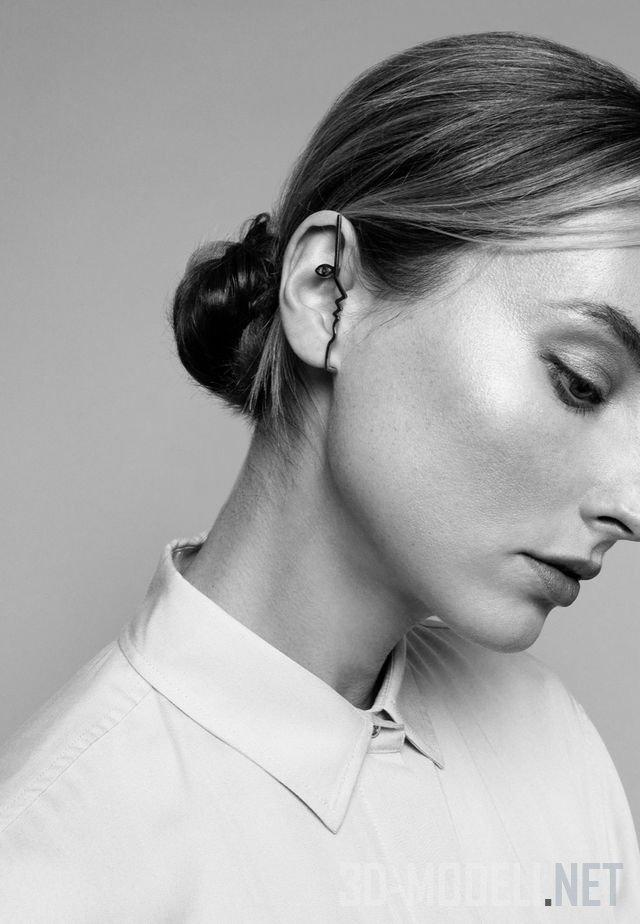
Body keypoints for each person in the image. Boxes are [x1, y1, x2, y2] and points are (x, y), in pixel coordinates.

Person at [1, 28, 640, 922]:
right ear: (328, 293)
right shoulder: (56, 865)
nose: (633, 505)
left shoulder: (551, 744)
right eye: (580, 381)